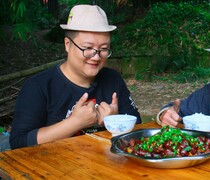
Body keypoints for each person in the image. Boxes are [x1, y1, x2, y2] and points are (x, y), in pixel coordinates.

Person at [10, 4, 141, 149]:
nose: (96, 57)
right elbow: (18, 142)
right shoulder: (38, 86)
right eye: (87, 48)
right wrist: (75, 123)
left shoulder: (113, 79)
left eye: (103, 49)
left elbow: (139, 127)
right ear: (67, 44)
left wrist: (116, 122)